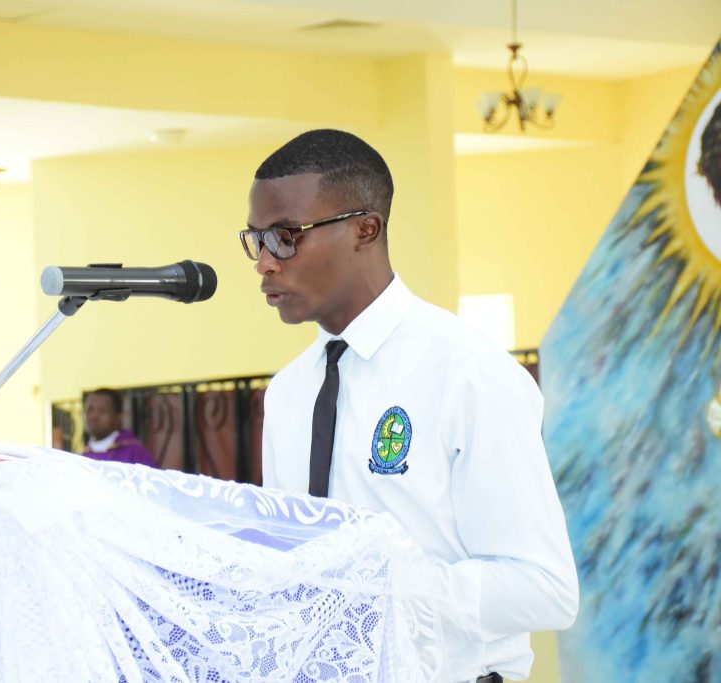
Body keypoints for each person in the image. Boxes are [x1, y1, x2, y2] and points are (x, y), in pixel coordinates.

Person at [241, 129, 578, 683]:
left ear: (365, 229)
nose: (264, 263)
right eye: (255, 240)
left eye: (283, 237)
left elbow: (545, 589)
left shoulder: (469, 374)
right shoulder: (288, 392)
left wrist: (385, 588)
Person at [81, 388, 159, 468]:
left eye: (102, 411)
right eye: (89, 410)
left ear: (118, 417)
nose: (94, 416)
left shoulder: (136, 453)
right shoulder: (82, 457)